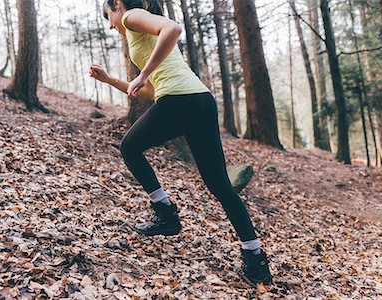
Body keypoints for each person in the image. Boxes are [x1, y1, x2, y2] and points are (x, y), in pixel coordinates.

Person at [89, 0, 272, 285]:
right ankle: (256, 260)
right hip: (200, 101)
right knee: (220, 185)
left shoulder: (133, 16)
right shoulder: (144, 29)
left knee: (129, 148)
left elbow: (173, 28)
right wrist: (111, 80)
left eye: (108, 16)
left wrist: (144, 72)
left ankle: (166, 214)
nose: (111, 25)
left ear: (117, 5)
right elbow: (149, 92)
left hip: (179, 101)